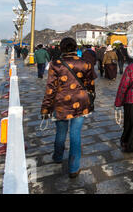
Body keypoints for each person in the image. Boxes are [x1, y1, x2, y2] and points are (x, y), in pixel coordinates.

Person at [41, 37, 96, 178]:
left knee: (61, 132)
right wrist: (91, 100)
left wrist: (46, 108)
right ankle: (74, 168)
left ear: (61, 48)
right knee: (75, 134)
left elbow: (50, 88)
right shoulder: (85, 63)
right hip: (81, 102)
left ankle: (58, 156)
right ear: (75, 47)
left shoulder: (56, 64)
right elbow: (90, 85)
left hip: (61, 103)